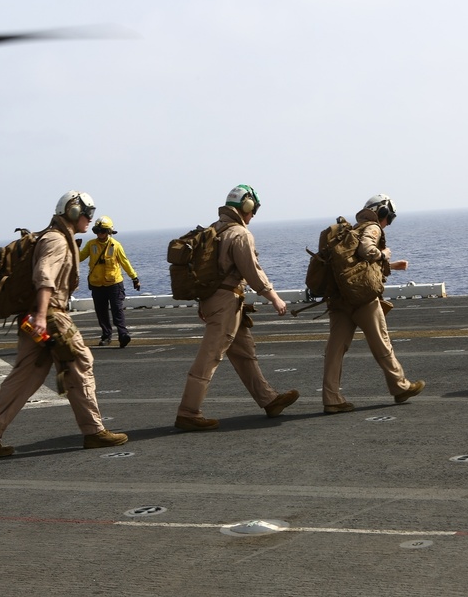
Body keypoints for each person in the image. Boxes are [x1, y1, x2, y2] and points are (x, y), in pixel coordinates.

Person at [0, 191, 128, 457]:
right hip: (51, 315)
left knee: (26, 376)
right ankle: (94, 432)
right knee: (81, 363)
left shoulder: (53, 237)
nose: (90, 219)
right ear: (73, 211)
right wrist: (43, 317)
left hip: (33, 315)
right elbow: (44, 276)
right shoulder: (57, 240)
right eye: (87, 213)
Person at [175, 185, 299, 431]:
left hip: (217, 300)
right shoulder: (240, 234)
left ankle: (269, 400)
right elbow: (252, 271)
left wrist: (203, 302)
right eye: (254, 210)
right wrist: (273, 297)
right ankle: (188, 412)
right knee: (210, 356)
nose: (253, 216)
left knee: (243, 353)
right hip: (226, 302)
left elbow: (207, 270)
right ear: (247, 206)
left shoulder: (215, 229)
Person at [321, 194, 425, 413]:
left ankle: (332, 398)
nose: (389, 223)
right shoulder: (373, 228)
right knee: (382, 342)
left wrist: (392, 265)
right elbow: (367, 251)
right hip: (363, 300)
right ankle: (400, 386)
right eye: (390, 218)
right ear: (383, 213)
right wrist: (385, 254)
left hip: (340, 299)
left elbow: (357, 264)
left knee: (335, 349)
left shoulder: (350, 231)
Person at [79, 215, 140, 348]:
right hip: (97, 284)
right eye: (97, 231)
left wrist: (134, 278)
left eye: (103, 231)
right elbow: (80, 257)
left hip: (114, 284)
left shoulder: (116, 245)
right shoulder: (91, 244)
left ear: (109, 231)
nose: (100, 234)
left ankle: (123, 335)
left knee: (117, 309)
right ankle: (106, 336)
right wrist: (71, 250)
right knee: (101, 312)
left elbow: (125, 262)